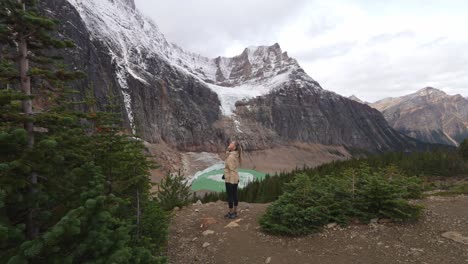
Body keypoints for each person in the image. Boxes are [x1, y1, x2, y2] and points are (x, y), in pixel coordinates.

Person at [224, 141, 241, 219]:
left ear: (234, 147)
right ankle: (235, 212)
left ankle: (231, 213)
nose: (230, 143)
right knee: (235, 194)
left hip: (231, 178)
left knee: (230, 196)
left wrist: (229, 179)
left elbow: (231, 169)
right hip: (235, 177)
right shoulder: (236, 154)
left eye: (231, 143)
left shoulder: (231, 157)